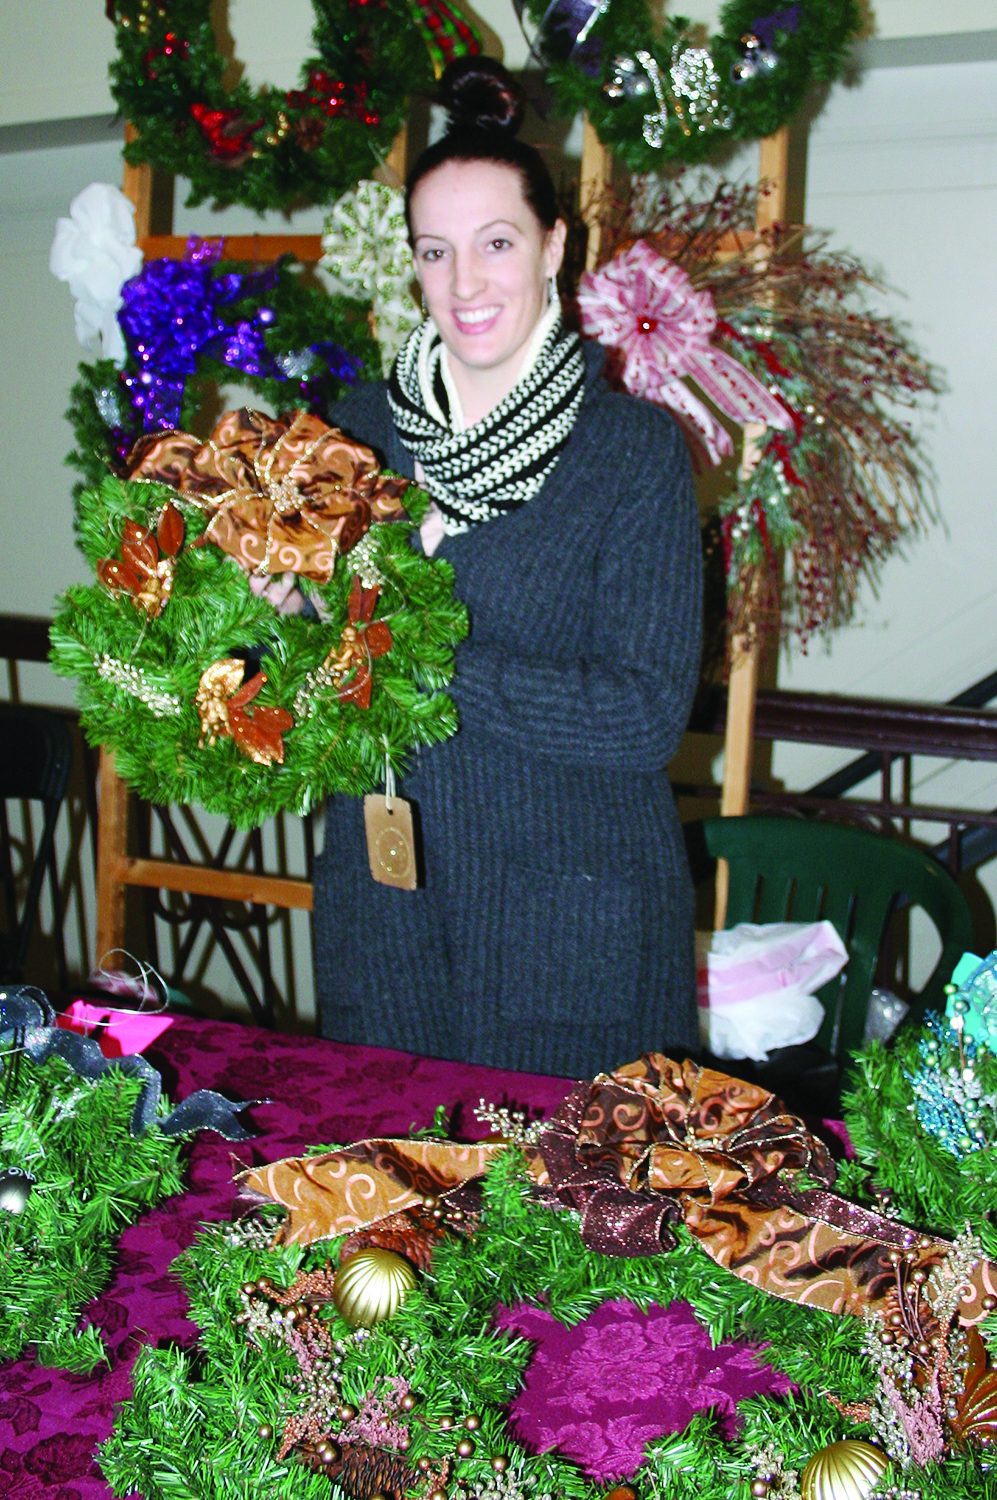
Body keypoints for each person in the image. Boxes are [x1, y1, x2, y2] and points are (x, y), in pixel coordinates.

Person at [313, 57, 702, 1079]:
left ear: (553, 247)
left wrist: (419, 666)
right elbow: (311, 682)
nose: (465, 282)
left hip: (569, 927)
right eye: (434, 252)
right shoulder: (351, 436)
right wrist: (277, 615)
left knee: (553, 1220)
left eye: (495, 243)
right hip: (381, 907)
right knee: (377, 1198)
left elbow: (641, 716)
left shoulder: (629, 452)